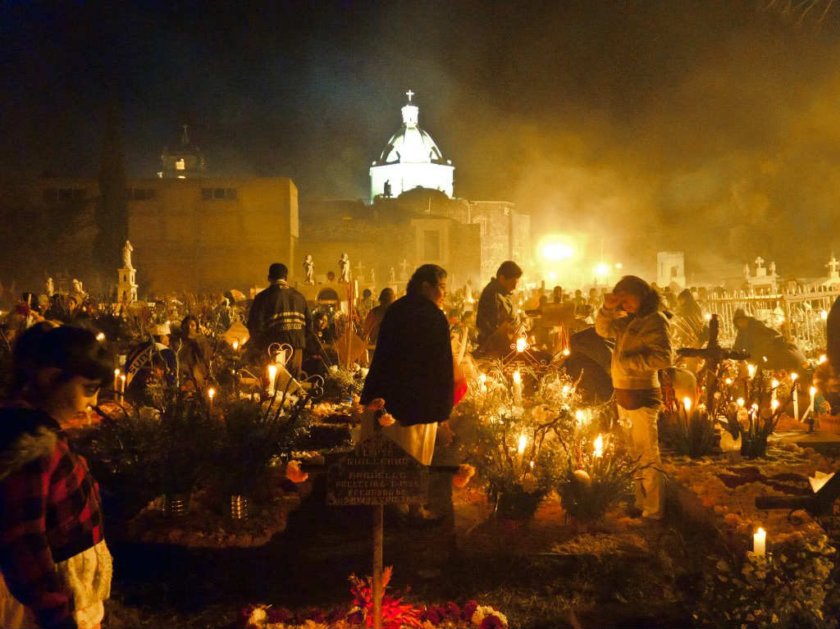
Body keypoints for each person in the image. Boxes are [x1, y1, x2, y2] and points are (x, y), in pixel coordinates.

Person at [0, 325, 113, 629]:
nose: (93, 402)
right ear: (51, 378)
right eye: (88, 389)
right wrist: (55, 613)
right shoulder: (30, 445)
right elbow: (23, 539)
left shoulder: (43, 430)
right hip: (46, 607)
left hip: (69, 595)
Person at [360, 264, 454, 468]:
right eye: (442, 287)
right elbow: (442, 367)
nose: (445, 293)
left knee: (388, 463)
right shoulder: (434, 316)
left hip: (390, 402)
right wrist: (444, 411)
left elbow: (381, 356)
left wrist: (372, 394)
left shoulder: (396, 310)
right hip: (420, 407)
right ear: (426, 287)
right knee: (415, 464)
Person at [596, 275, 672, 520]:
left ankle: (653, 510)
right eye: (621, 300)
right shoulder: (629, 321)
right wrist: (608, 308)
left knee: (647, 453)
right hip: (624, 393)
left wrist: (629, 363)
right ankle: (640, 503)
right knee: (633, 452)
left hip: (642, 394)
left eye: (627, 298)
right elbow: (603, 330)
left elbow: (664, 358)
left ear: (641, 295)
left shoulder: (654, 321)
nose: (625, 304)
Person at [246, 263, 311, 375]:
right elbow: (309, 325)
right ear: (286, 277)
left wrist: (261, 346)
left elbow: (254, 325)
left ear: (269, 278)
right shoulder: (299, 296)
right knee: (293, 385)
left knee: (274, 385)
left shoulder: (263, 297)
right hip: (297, 347)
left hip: (274, 348)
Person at [732, 309, 807, 371]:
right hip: (752, 361)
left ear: (748, 320)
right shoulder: (741, 333)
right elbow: (737, 347)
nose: (741, 323)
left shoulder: (757, 328)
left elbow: (762, 345)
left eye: (743, 320)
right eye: (739, 322)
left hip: (764, 359)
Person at [475, 260, 523, 357]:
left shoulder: (504, 293)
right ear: (502, 278)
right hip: (498, 350)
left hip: (510, 345)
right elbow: (492, 327)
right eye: (513, 283)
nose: (515, 287)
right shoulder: (492, 295)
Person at [177, 315, 212, 391]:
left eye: (192, 325)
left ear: (196, 327)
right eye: (188, 325)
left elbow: (205, 356)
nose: (190, 328)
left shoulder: (201, 339)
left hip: (197, 373)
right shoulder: (180, 341)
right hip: (183, 374)